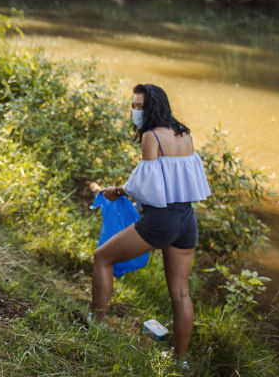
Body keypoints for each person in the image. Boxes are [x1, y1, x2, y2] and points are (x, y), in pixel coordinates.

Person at [90, 83, 212, 361]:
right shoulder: (185, 134)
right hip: (186, 220)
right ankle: (179, 360)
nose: (135, 111)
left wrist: (118, 190)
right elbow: (180, 181)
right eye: (133, 106)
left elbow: (145, 187)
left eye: (140, 106)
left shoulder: (151, 137)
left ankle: (94, 323)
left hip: (161, 220)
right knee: (181, 293)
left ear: (155, 106)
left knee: (102, 258)